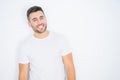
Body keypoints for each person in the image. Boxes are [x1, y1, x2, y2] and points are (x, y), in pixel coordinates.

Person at [18, 6, 76, 80]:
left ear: (45, 18)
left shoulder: (60, 39)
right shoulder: (25, 46)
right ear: (29, 24)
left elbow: (69, 67)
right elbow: (23, 75)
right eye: (35, 20)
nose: (39, 22)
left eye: (41, 17)